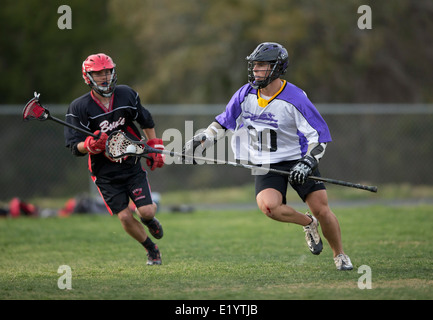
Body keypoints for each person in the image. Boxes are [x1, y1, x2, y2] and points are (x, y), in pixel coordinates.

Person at [184, 42, 353, 270]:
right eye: (254, 65)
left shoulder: (295, 99)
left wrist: (308, 162)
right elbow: (223, 122)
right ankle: (308, 224)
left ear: (276, 68)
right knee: (269, 207)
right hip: (266, 162)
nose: (255, 70)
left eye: (261, 65)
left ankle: (340, 255)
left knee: (322, 209)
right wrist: (203, 138)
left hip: (298, 158)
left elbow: (320, 136)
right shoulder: (245, 94)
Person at [64, 53, 165, 265]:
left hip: (131, 163)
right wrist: (89, 145)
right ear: (88, 77)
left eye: (108, 71)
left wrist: (154, 146)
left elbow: (145, 120)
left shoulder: (126, 95)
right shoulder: (79, 107)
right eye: (99, 73)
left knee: (146, 210)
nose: (105, 77)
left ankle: (149, 220)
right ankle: (151, 249)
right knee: (125, 217)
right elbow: (75, 147)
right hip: (104, 173)